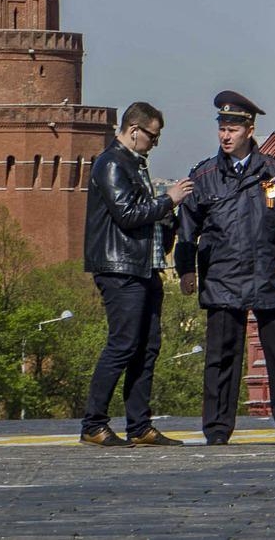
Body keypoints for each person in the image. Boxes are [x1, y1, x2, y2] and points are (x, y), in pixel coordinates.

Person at [175, 89, 275, 445]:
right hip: (222, 276)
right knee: (221, 359)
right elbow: (187, 224)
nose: (225, 135)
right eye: (222, 127)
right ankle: (218, 428)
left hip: (269, 274)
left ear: (249, 130)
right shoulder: (204, 176)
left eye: (233, 128)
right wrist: (186, 268)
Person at [80, 101, 193, 447]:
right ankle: (93, 423)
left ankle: (139, 425)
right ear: (134, 131)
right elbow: (128, 214)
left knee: (147, 346)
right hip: (120, 269)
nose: (154, 144)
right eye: (152, 137)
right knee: (123, 343)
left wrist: (167, 217)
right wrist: (169, 200)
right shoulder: (111, 163)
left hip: (142, 266)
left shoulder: (133, 164)